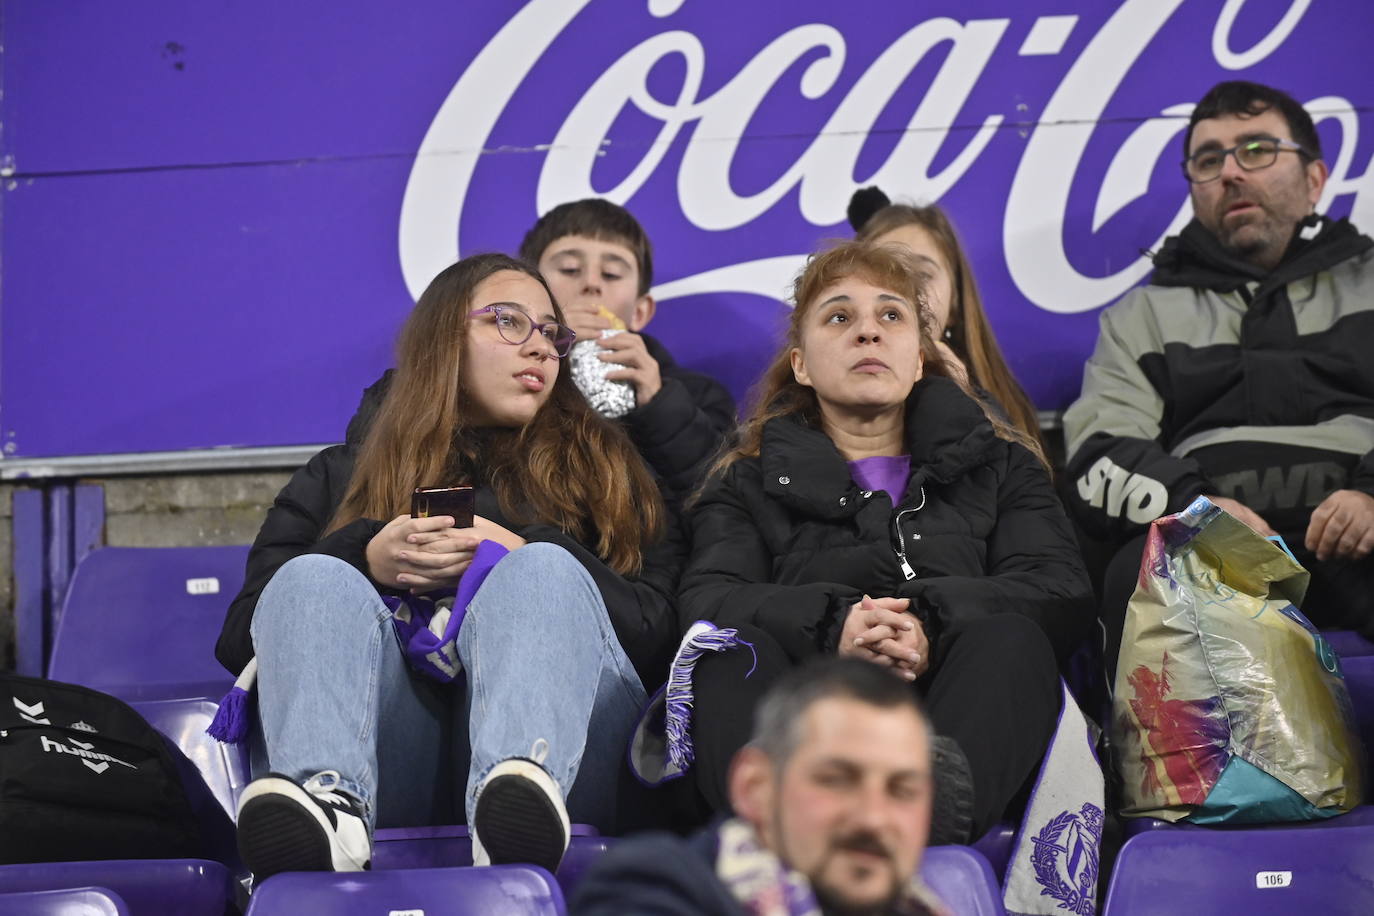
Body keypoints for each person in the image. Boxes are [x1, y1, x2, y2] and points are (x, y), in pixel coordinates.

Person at [214, 253, 683, 880]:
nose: (541, 349)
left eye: (552, 333)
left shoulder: (608, 466)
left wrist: (516, 550)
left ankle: (518, 798)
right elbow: (243, 633)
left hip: (578, 760)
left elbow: (660, 638)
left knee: (539, 571)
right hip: (396, 759)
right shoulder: (341, 474)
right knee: (310, 576)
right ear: (442, 338)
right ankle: (330, 809)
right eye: (509, 322)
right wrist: (364, 554)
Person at [675, 240, 1093, 843]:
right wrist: (831, 627)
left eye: (891, 316)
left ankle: (922, 816)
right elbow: (706, 599)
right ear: (801, 364)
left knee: (1015, 638)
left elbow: (1060, 591)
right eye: (840, 317)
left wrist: (929, 625)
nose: (868, 333)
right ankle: (790, 828)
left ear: (920, 359)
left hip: (954, 722)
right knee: (723, 650)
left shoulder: (1002, 465)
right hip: (807, 721)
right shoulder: (745, 479)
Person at [1062, 80, 1374, 678]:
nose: (1231, 171)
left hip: (1363, 527)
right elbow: (1098, 457)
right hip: (1210, 546)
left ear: (1314, 177)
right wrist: (1196, 510)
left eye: (1256, 149)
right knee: (1138, 569)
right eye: (1209, 160)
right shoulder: (1140, 318)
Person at [347, 199, 737, 498]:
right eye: (569, 270)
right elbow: (371, 468)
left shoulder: (696, 396)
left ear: (641, 311)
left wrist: (660, 405)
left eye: (612, 273)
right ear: (529, 284)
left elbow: (723, 503)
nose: (590, 285)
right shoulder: (481, 378)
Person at [572, 657, 949, 916]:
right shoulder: (653, 887)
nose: (873, 817)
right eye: (836, 780)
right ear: (754, 787)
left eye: (902, 790)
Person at [848, 187, 1046, 460]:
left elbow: (1021, 495)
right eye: (886, 271)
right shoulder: (812, 407)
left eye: (922, 274)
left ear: (954, 304)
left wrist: (968, 407)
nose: (905, 290)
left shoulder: (1006, 409)